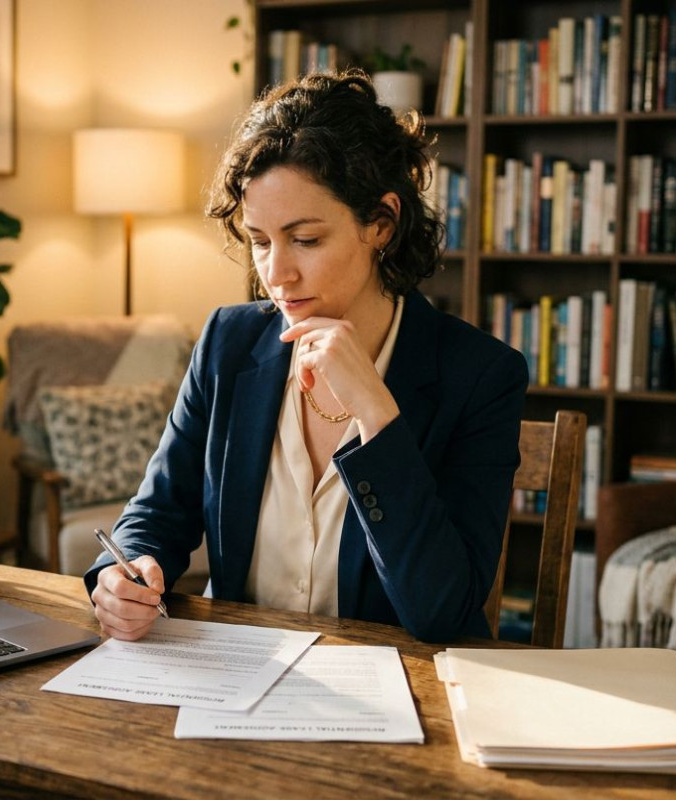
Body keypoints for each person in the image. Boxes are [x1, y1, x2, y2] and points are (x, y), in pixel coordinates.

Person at [85, 70, 527, 643]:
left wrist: (376, 414)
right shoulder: (228, 341)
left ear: (382, 224)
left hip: (397, 698)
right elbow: (157, 515)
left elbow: (442, 612)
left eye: (306, 240)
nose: (275, 274)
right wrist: (126, 575)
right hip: (237, 680)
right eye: (261, 241)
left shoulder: (480, 375)